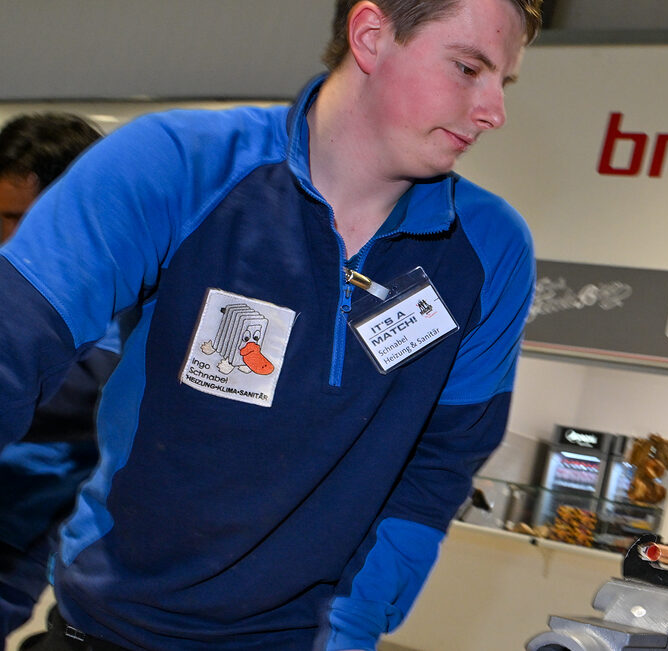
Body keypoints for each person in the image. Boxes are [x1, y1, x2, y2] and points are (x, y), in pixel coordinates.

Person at [0, 0, 543, 648]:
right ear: (372, 36)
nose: (494, 111)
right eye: (468, 68)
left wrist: (349, 630)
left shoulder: (490, 251)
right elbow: (13, 342)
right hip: (107, 627)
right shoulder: (180, 165)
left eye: (504, 81)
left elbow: (440, 467)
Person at [0, 113, 107, 641]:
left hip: (22, 518)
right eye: (4, 216)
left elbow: (81, 392)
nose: (12, 238)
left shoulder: (124, 296)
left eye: (28, 219)